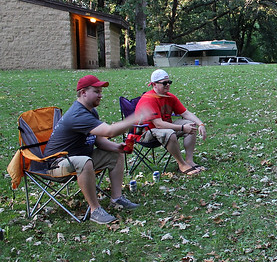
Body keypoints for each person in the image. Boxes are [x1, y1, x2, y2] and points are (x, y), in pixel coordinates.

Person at [44, 75, 148, 224]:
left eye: (100, 92)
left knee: (115, 154)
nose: (100, 95)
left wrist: (117, 147)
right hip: (56, 164)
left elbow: (98, 139)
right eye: (96, 91)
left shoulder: (90, 111)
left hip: (79, 158)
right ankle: (95, 210)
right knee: (85, 161)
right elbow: (109, 131)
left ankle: (117, 199)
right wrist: (135, 117)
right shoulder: (77, 114)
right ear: (83, 93)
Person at [135, 69, 207, 176]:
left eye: (169, 82)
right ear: (154, 84)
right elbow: (158, 124)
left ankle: (189, 161)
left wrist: (200, 124)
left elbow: (185, 113)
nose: (168, 85)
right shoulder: (149, 99)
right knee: (169, 133)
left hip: (163, 128)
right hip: (145, 133)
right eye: (164, 83)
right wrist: (182, 128)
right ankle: (182, 165)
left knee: (190, 125)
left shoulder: (170, 97)